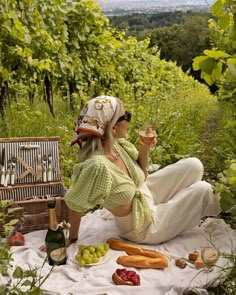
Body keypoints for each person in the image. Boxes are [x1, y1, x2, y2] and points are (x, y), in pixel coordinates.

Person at [64, 95, 221, 245]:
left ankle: (193, 204)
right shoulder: (97, 166)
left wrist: (144, 147)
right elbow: (75, 204)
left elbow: (142, 175)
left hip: (144, 195)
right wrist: (72, 238)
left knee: (194, 165)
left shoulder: (117, 145)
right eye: (126, 116)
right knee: (204, 189)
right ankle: (226, 205)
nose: (129, 120)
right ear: (112, 127)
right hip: (143, 226)